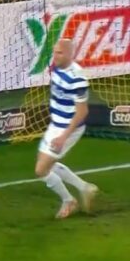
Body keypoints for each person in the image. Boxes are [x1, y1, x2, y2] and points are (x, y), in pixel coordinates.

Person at [34, 38, 98, 219]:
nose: (55, 56)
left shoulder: (77, 78)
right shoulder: (56, 68)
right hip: (56, 125)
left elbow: (82, 111)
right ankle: (84, 188)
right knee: (47, 164)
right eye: (54, 52)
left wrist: (63, 137)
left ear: (70, 54)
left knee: (41, 170)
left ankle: (69, 201)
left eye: (60, 53)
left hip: (68, 128)